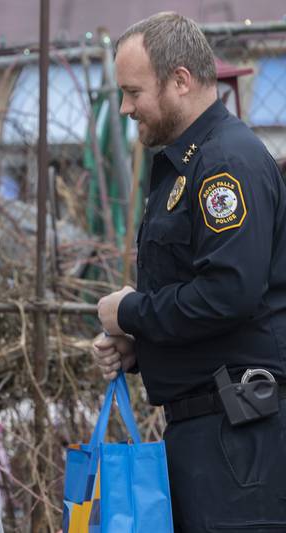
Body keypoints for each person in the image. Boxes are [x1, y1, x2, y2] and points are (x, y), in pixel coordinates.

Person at [92, 12, 286, 531]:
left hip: (239, 437)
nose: (127, 107)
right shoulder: (187, 163)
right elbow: (201, 297)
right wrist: (142, 345)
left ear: (180, 80)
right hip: (208, 432)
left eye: (134, 92)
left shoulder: (225, 165)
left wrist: (130, 312)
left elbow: (229, 293)